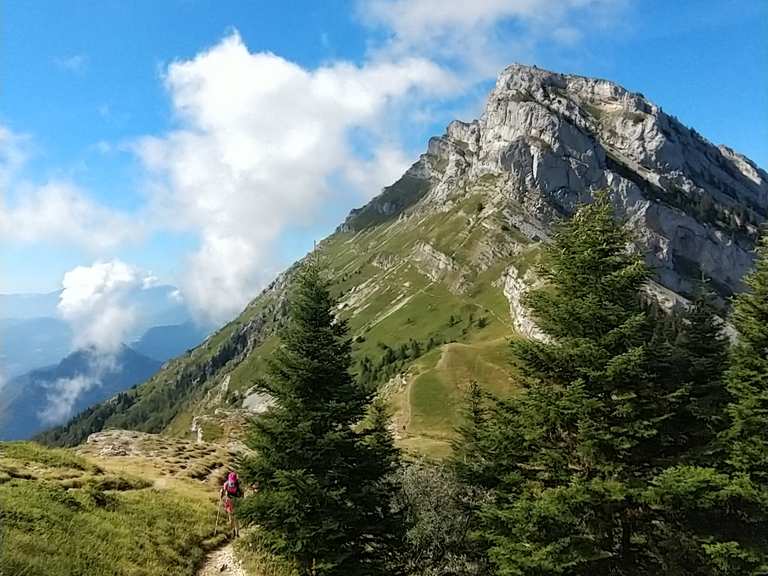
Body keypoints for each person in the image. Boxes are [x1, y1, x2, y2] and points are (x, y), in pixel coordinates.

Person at [219, 471, 242, 537]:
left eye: (233, 481)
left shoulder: (238, 485)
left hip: (236, 502)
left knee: (236, 518)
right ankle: (233, 532)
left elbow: (242, 493)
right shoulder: (226, 484)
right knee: (231, 518)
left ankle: (237, 533)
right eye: (231, 481)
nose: (232, 482)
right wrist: (221, 494)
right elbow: (223, 491)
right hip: (229, 502)